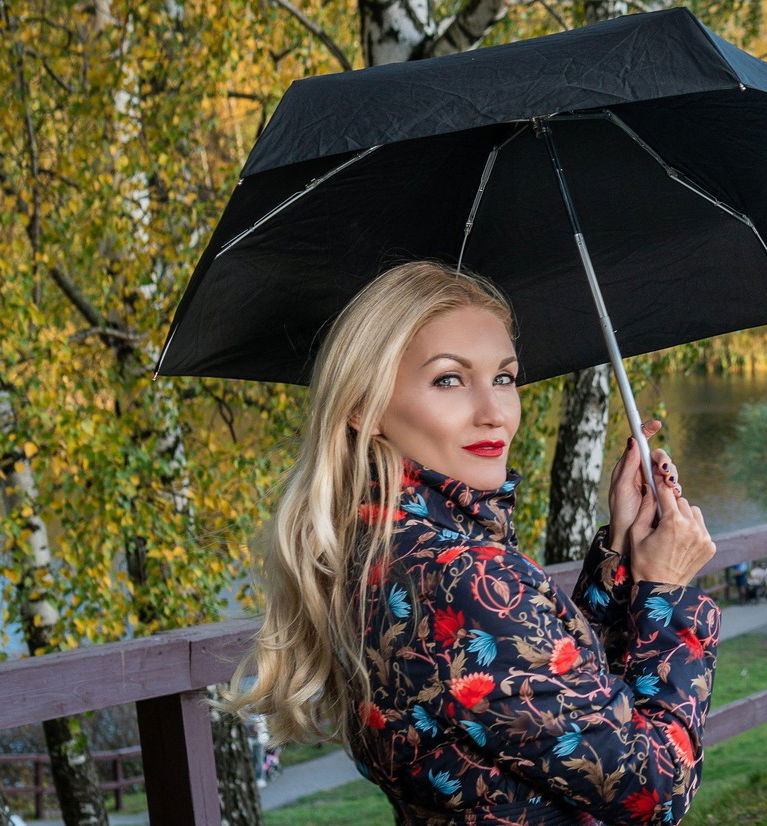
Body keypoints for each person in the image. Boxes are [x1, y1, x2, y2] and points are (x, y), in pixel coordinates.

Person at [217, 261, 720, 824]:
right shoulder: (460, 576)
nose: (494, 412)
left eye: (504, 377)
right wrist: (667, 595)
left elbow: (555, 701)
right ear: (364, 406)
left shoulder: (383, 549)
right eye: (449, 379)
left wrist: (624, 557)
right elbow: (652, 791)